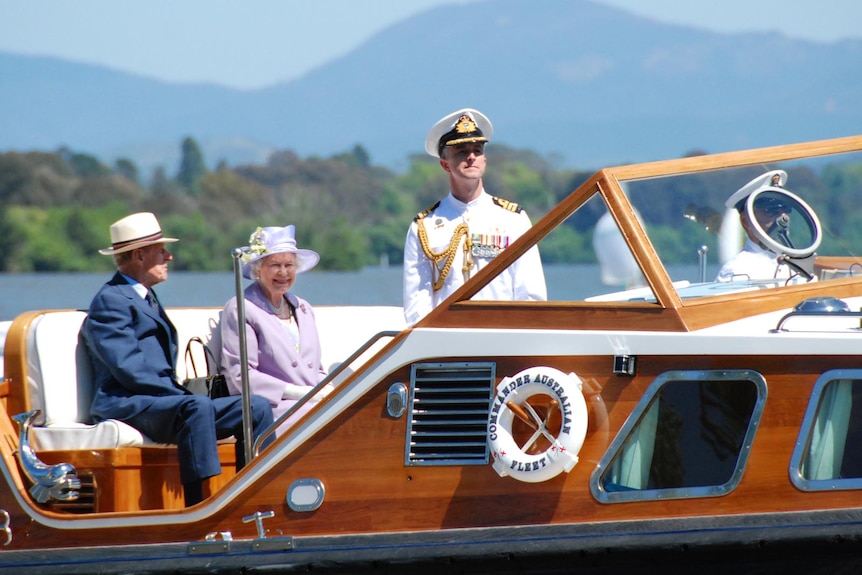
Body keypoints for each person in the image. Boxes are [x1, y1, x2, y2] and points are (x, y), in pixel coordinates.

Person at [80, 212, 274, 507]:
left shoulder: (145, 297)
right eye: (161, 251)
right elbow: (128, 369)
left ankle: (255, 498)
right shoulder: (111, 301)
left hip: (159, 401)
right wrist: (181, 394)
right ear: (139, 255)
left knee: (254, 407)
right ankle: (202, 506)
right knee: (195, 406)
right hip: (127, 402)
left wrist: (180, 396)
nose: (169, 257)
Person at [402, 108, 547, 325]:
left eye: (477, 150)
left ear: (485, 160)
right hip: (446, 345)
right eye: (461, 151)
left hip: (503, 338)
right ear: (445, 164)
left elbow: (531, 293)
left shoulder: (513, 219)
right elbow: (417, 303)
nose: (471, 157)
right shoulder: (425, 226)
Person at [220, 225, 329, 436]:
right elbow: (242, 375)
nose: (283, 272)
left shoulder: (303, 308)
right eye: (275, 265)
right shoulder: (241, 307)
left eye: (289, 265)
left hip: (310, 403)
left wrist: (329, 389)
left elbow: (316, 368)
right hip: (272, 408)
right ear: (258, 269)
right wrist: (300, 393)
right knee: (325, 418)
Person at [716, 170, 796, 282]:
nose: (783, 217)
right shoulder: (737, 271)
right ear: (746, 222)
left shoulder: (797, 265)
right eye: (772, 210)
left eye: (786, 209)